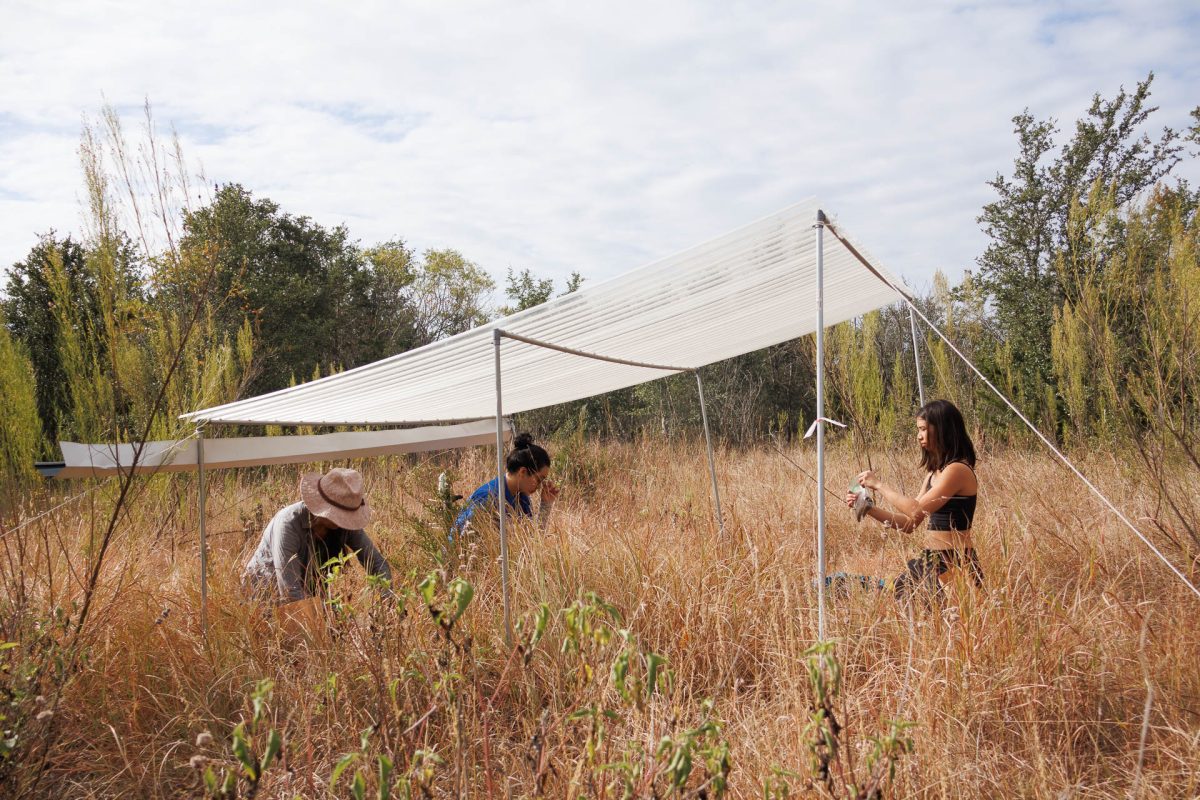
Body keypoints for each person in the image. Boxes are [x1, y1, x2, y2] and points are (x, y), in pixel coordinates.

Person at [845, 399, 983, 602]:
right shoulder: (933, 474)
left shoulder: (957, 470)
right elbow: (910, 523)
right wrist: (868, 508)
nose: (919, 436)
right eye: (918, 430)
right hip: (932, 561)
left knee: (946, 626)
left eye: (923, 429)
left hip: (955, 562)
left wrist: (879, 485)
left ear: (943, 429)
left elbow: (916, 509)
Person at [243, 467, 393, 603]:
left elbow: (378, 564)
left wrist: (387, 607)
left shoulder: (345, 526)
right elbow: (290, 593)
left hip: (308, 596)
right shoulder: (288, 524)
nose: (344, 520)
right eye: (341, 515)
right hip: (265, 597)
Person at [454, 433, 559, 536]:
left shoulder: (521, 497)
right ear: (522, 472)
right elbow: (465, 541)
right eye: (539, 480)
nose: (540, 486)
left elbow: (532, 541)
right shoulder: (487, 497)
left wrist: (546, 504)